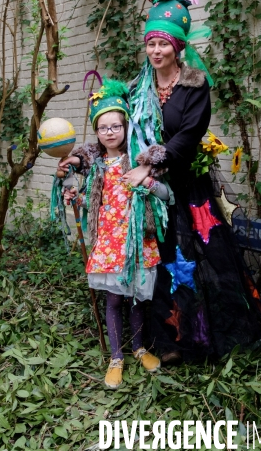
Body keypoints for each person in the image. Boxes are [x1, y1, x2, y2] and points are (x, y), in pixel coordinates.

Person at [119, 0, 261, 363]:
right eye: (151, 44)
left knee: (205, 259)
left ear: (177, 47)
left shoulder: (195, 85)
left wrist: (148, 165)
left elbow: (188, 136)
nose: (156, 50)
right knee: (164, 263)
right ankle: (173, 341)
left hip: (187, 188)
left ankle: (236, 335)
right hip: (153, 196)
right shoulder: (136, 89)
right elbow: (119, 131)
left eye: (164, 44)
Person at [59, 79, 169, 388]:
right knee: (114, 301)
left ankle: (138, 348)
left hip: (136, 242)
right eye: (103, 128)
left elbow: (163, 188)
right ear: (96, 133)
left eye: (115, 126)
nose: (110, 132)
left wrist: (148, 180)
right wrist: (74, 199)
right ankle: (116, 356)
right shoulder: (97, 166)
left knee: (135, 300)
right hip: (108, 243)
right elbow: (94, 200)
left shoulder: (138, 160)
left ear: (125, 127)